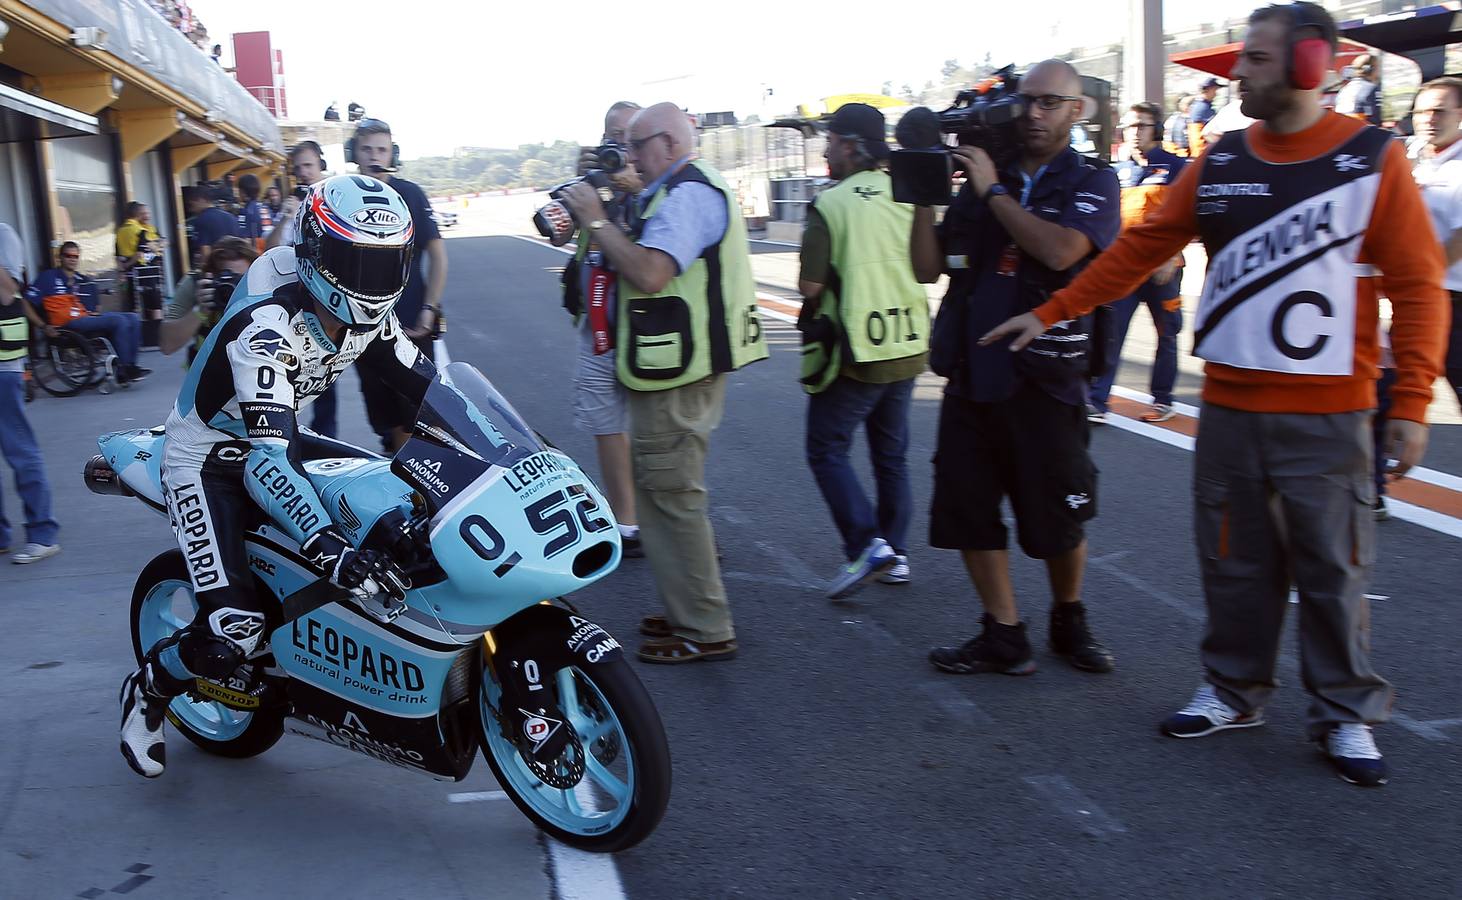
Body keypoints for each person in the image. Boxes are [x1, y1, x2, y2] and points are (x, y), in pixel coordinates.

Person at [982, 2, 1447, 787]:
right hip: (1229, 412)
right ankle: (1234, 689)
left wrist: (1410, 404)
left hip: (1328, 417)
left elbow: (1419, 286)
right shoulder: (1222, 160)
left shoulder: (1371, 157)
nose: (1238, 72)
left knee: (1332, 572)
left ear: (1310, 65)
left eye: (1257, 60)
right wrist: (1053, 308)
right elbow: (1138, 251)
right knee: (1233, 563)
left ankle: (1345, 714)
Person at [119, 174, 439, 778]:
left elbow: (431, 389)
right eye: (355, 262)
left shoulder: (371, 315)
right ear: (318, 251)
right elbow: (270, 460)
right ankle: (151, 689)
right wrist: (327, 547)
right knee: (233, 629)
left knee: (391, 511)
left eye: (386, 263)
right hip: (212, 452)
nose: (373, 285)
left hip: (280, 432)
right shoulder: (267, 323)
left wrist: (514, 447)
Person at [908, 59, 1119, 677]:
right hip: (973, 370)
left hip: (1048, 372)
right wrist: (923, 196)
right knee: (967, 506)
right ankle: (1003, 631)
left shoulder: (1092, 181)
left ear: (1078, 112)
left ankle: (1068, 616)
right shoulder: (981, 177)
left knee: (1059, 511)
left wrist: (993, 191)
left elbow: (1059, 251)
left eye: (1051, 102)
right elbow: (928, 268)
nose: (1034, 113)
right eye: (1027, 101)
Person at [559, 102, 769, 664]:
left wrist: (597, 222)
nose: (628, 158)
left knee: (674, 497)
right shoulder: (672, 191)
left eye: (636, 146)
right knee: (659, 494)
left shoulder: (691, 194)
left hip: (681, 372)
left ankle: (705, 627)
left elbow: (650, 273)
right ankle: (687, 609)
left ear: (670, 145)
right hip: (669, 367)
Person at [798, 103, 928, 598]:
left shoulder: (831, 204)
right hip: (908, 340)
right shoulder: (907, 193)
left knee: (826, 447)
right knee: (891, 454)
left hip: (858, 347)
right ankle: (895, 552)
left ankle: (864, 542)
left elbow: (811, 285)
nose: (827, 151)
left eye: (830, 142)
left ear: (851, 146)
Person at [562, 101, 643, 557]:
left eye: (629, 137)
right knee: (604, 421)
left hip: (646, 327)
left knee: (659, 434)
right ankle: (627, 521)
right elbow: (555, 233)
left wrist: (637, 186)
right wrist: (580, 186)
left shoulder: (662, 183)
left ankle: (680, 525)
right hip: (596, 324)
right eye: (612, 137)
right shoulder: (594, 181)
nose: (620, 146)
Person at [351, 118, 448, 451]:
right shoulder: (343, 195)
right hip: (362, 325)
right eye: (367, 149)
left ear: (393, 152)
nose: (375, 156)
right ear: (354, 153)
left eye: (382, 149)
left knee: (419, 415)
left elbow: (438, 255)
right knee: (385, 419)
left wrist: (429, 308)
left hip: (410, 324)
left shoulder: (410, 193)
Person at [1087, 102, 1187, 424]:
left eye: (1141, 126)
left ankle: (1163, 399)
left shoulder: (1176, 167)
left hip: (1164, 271)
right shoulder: (1118, 171)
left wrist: (1170, 256)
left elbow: (1190, 218)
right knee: (1111, 333)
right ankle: (1097, 400)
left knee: (1167, 334)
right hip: (1124, 270)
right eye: (1129, 127)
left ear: (1157, 130)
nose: (1134, 133)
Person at [0, 222, 60, 564]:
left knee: (20, 451)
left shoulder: (4, 234)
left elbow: (8, 292)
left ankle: (43, 532)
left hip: (3, 369)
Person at [271, 140, 338, 435]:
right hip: (298, 303)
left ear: (321, 166)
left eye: (309, 166)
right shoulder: (292, 204)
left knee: (338, 370)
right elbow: (269, 250)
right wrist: (288, 214)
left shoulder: (337, 199)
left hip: (336, 301)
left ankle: (330, 434)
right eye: (298, 168)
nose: (303, 173)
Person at [1408, 76, 1462, 412]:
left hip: (1452, 301)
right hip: (1419, 298)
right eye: (1422, 111)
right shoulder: (1411, 154)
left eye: (1439, 111)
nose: (1429, 119)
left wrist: (1418, 282)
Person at [34, 241, 151, 383]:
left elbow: (92, 302)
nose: (72, 259)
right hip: (67, 325)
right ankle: (125, 367)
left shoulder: (79, 279)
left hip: (85, 319)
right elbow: (25, 302)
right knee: (118, 321)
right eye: (68, 255)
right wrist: (43, 326)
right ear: (60, 258)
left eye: (75, 256)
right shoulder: (48, 277)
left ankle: (129, 366)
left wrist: (94, 311)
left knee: (133, 318)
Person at [159, 236, 258, 360]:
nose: (235, 287)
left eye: (241, 279)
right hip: (209, 371)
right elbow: (168, 345)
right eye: (228, 278)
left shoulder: (264, 286)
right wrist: (200, 310)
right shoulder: (197, 285)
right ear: (211, 275)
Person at [183, 185, 241, 270]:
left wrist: (204, 269)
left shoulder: (202, 219)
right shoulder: (230, 216)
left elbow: (205, 250)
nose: (190, 206)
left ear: (201, 199)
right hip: (236, 263)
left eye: (192, 201)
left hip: (216, 266)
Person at [1336, 54, 1381, 125]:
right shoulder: (1372, 88)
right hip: (1363, 131)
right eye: (1378, 68)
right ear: (1370, 69)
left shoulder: (1343, 90)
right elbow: (1378, 118)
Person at [236, 173, 273, 248]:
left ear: (243, 192)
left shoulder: (246, 211)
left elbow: (245, 240)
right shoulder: (265, 208)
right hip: (269, 249)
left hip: (256, 253)